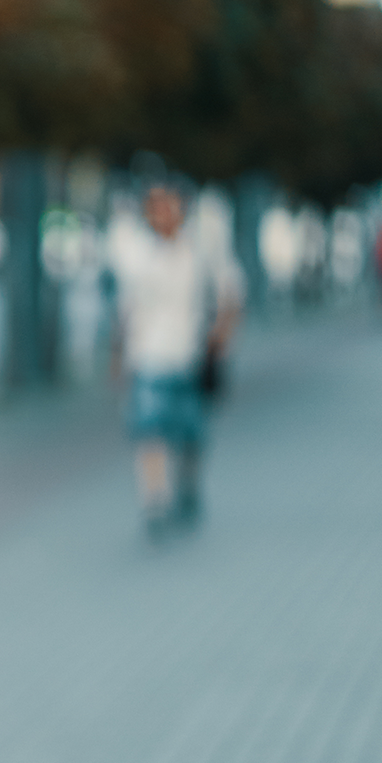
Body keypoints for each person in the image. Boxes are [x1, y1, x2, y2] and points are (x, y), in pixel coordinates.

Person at [110, 183, 244, 539]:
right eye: (155, 207)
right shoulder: (138, 253)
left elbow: (231, 294)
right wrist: (118, 355)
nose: (162, 214)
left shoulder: (202, 250)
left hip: (191, 356)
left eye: (169, 206)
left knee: (190, 435)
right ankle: (155, 498)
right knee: (149, 429)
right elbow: (126, 309)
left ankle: (187, 488)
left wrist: (220, 336)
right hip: (147, 356)